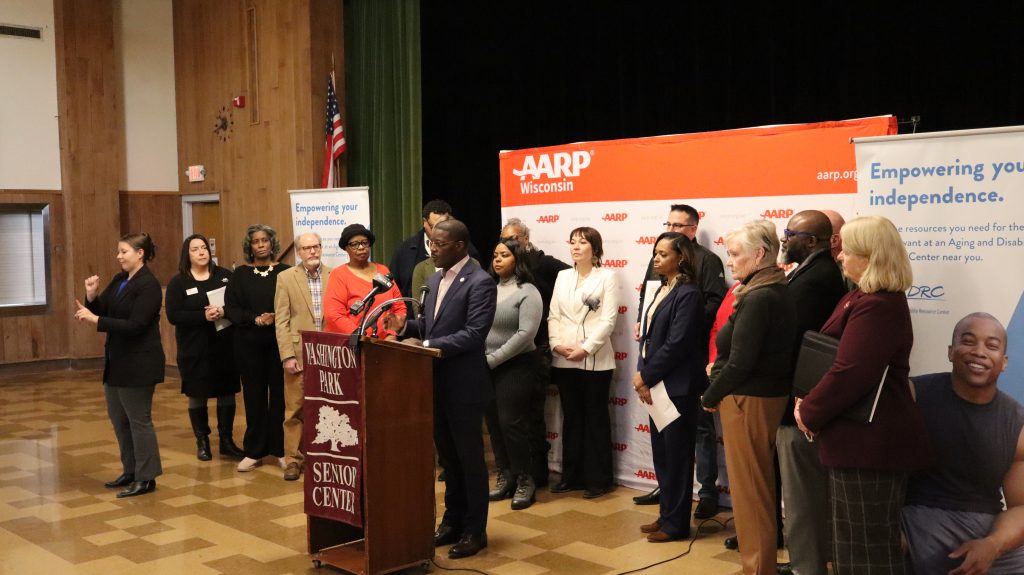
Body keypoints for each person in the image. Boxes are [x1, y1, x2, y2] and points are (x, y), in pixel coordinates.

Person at [795, 215, 934, 575]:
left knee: (867, 553)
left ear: (870, 255)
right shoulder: (860, 297)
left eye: (847, 251)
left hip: (871, 447)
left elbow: (850, 372)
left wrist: (808, 411)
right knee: (851, 547)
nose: (839, 257)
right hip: (854, 442)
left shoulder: (877, 305)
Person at [386, 218, 497, 559]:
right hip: (434, 382)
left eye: (440, 244)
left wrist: (428, 342)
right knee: (448, 459)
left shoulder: (480, 282)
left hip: (464, 385)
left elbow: (473, 333)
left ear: (460, 246)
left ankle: (475, 530)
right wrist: (408, 327)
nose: (432, 249)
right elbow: (432, 324)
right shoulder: (434, 280)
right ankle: (452, 521)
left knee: (469, 460)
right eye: (431, 242)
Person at [701, 220, 795, 575]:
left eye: (735, 253)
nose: (730, 261)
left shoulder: (760, 295)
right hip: (755, 397)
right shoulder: (769, 288)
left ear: (759, 254)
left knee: (751, 492)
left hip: (748, 400)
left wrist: (711, 393)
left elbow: (741, 361)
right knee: (755, 489)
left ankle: (757, 568)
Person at [902, 313, 1024, 575]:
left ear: (1003, 363)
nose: (979, 352)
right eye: (968, 342)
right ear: (951, 351)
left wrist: (992, 545)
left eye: (991, 346)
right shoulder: (913, 394)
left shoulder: (1016, 421)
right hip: (917, 518)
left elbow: (1021, 508)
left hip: (985, 524)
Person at [634, 204, 727, 516]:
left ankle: (703, 496)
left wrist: (683, 327)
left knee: (687, 442)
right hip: (656, 372)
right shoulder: (663, 276)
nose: (671, 229)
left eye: (678, 226)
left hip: (684, 369)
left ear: (691, 231)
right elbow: (647, 309)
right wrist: (643, 372)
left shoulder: (700, 272)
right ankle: (668, 506)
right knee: (665, 450)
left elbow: (702, 315)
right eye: (668, 224)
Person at [776, 210, 847, 575]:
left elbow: (791, 343)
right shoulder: (812, 272)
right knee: (806, 494)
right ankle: (810, 561)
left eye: (790, 233)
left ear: (812, 241)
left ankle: (806, 566)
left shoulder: (815, 280)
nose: (784, 239)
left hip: (800, 404)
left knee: (802, 496)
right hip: (805, 401)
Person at [74, 232, 165, 498]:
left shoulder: (148, 285)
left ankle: (146, 477)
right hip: (117, 363)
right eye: (118, 251)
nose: (119, 256)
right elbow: (106, 311)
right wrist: (92, 297)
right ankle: (131, 470)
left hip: (139, 364)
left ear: (140, 254)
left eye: (124, 251)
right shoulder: (120, 279)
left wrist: (96, 320)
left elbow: (136, 325)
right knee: (119, 420)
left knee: (139, 421)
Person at [634, 232, 704, 543]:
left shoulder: (688, 293)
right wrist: (644, 374)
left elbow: (677, 344)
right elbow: (649, 338)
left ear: (682, 258)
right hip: (655, 383)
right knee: (662, 456)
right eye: (655, 252)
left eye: (663, 254)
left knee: (677, 458)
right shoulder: (663, 289)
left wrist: (647, 375)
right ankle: (666, 514)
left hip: (676, 387)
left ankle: (677, 524)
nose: (656, 258)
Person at [492, 218, 568, 491]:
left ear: (525, 239)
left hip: (534, 351)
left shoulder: (544, 266)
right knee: (503, 420)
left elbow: (572, 278)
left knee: (530, 416)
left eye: (512, 240)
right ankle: (510, 474)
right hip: (499, 360)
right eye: (501, 242)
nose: (506, 246)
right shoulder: (495, 284)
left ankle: (534, 476)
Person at [548, 226, 620, 499]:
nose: (576, 247)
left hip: (595, 359)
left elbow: (608, 320)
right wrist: (556, 344)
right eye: (573, 242)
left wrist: (586, 348)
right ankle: (571, 476)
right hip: (564, 355)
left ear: (596, 249)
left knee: (595, 418)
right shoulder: (562, 276)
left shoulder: (607, 277)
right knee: (572, 418)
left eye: (583, 242)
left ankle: (599, 479)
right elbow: (553, 314)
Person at [164, 234, 244, 462]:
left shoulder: (225, 276)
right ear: (186, 255)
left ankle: (227, 442)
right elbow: (173, 315)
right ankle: (203, 441)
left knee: (227, 391)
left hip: (224, 346)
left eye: (204, 248)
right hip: (194, 348)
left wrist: (224, 312)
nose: (201, 252)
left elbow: (238, 304)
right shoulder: (179, 282)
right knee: (197, 394)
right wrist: (203, 316)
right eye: (195, 249)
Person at [225, 224, 290, 473]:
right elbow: (231, 308)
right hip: (248, 346)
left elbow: (292, 304)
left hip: (279, 345)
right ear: (249, 246)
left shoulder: (286, 272)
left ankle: (281, 450)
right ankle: (254, 451)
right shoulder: (239, 274)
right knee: (253, 398)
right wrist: (256, 319)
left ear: (272, 243)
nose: (261, 245)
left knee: (280, 398)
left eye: (265, 240)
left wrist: (275, 316)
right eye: (256, 241)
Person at [484, 239, 543, 510]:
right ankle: (504, 476)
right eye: (495, 255)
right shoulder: (488, 289)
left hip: (517, 365)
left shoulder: (528, 291)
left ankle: (524, 479)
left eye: (504, 255)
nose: (498, 260)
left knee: (510, 422)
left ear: (517, 260)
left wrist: (493, 359)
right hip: (487, 366)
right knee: (494, 423)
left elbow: (525, 335)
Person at [273, 232, 332, 481]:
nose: (313, 252)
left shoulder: (335, 275)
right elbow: (281, 320)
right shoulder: (286, 278)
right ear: (298, 252)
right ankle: (293, 460)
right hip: (299, 353)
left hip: (330, 353)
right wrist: (287, 355)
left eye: (316, 246)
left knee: (329, 407)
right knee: (295, 409)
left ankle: (326, 456)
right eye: (307, 248)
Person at [324, 224, 406, 337]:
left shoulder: (382, 270)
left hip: (386, 344)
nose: (361, 247)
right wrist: (362, 338)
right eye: (354, 244)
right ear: (346, 248)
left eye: (364, 242)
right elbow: (333, 315)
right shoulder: (339, 275)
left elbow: (399, 306)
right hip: (353, 345)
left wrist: (392, 334)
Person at [388, 199, 479, 298]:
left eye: (444, 227)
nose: (439, 232)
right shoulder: (404, 251)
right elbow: (394, 290)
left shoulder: (464, 249)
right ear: (424, 222)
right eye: (433, 227)